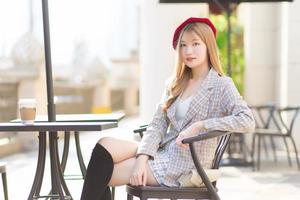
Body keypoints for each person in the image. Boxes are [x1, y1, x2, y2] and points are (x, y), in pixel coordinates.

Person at [80, 17, 255, 200]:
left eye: (195, 44)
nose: (188, 51)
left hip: (187, 163)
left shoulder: (221, 84)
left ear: (208, 45)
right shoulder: (175, 84)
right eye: (183, 45)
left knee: (102, 171)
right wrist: (142, 159)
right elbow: (157, 125)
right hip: (164, 152)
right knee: (104, 145)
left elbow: (247, 120)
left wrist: (201, 125)